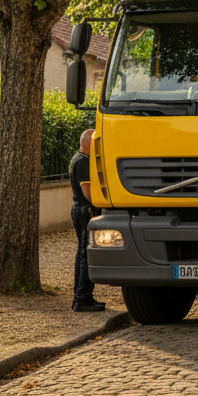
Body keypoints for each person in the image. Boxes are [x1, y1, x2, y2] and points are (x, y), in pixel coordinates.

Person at [70, 129, 106, 312]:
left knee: (82, 253)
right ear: (89, 143)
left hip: (80, 209)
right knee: (85, 254)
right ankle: (82, 299)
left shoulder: (78, 159)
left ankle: (82, 296)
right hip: (86, 210)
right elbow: (88, 193)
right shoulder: (84, 162)